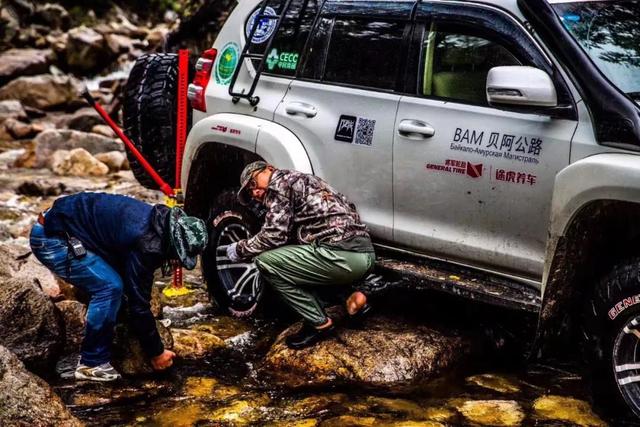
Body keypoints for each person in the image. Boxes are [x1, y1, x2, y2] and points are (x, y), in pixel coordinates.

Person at [29, 192, 208, 381]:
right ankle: (91, 363)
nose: (177, 262)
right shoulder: (147, 244)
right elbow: (138, 306)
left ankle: (106, 332)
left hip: (67, 226)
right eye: (179, 256)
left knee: (119, 285)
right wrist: (157, 353)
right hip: (51, 239)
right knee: (109, 287)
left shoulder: (158, 221)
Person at [226, 161, 375, 349]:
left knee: (267, 262)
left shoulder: (278, 185)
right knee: (297, 260)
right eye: (250, 192)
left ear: (270, 169)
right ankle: (351, 299)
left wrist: (240, 249)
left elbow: (274, 235)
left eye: (253, 185)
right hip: (364, 253)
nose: (255, 193)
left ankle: (319, 323)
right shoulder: (309, 181)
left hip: (341, 256)